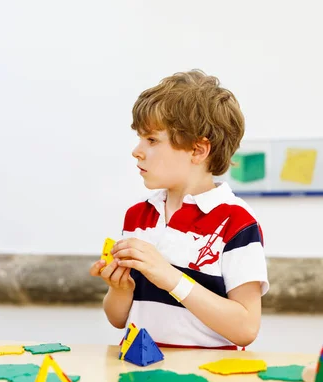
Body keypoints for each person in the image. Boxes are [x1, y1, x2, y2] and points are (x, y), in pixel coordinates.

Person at [89, 70, 269, 350]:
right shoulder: (137, 217)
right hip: (139, 374)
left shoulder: (236, 222)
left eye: (151, 140)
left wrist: (171, 277)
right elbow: (117, 318)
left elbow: (245, 328)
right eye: (139, 139)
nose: (137, 150)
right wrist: (119, 289)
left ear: (198, 150)